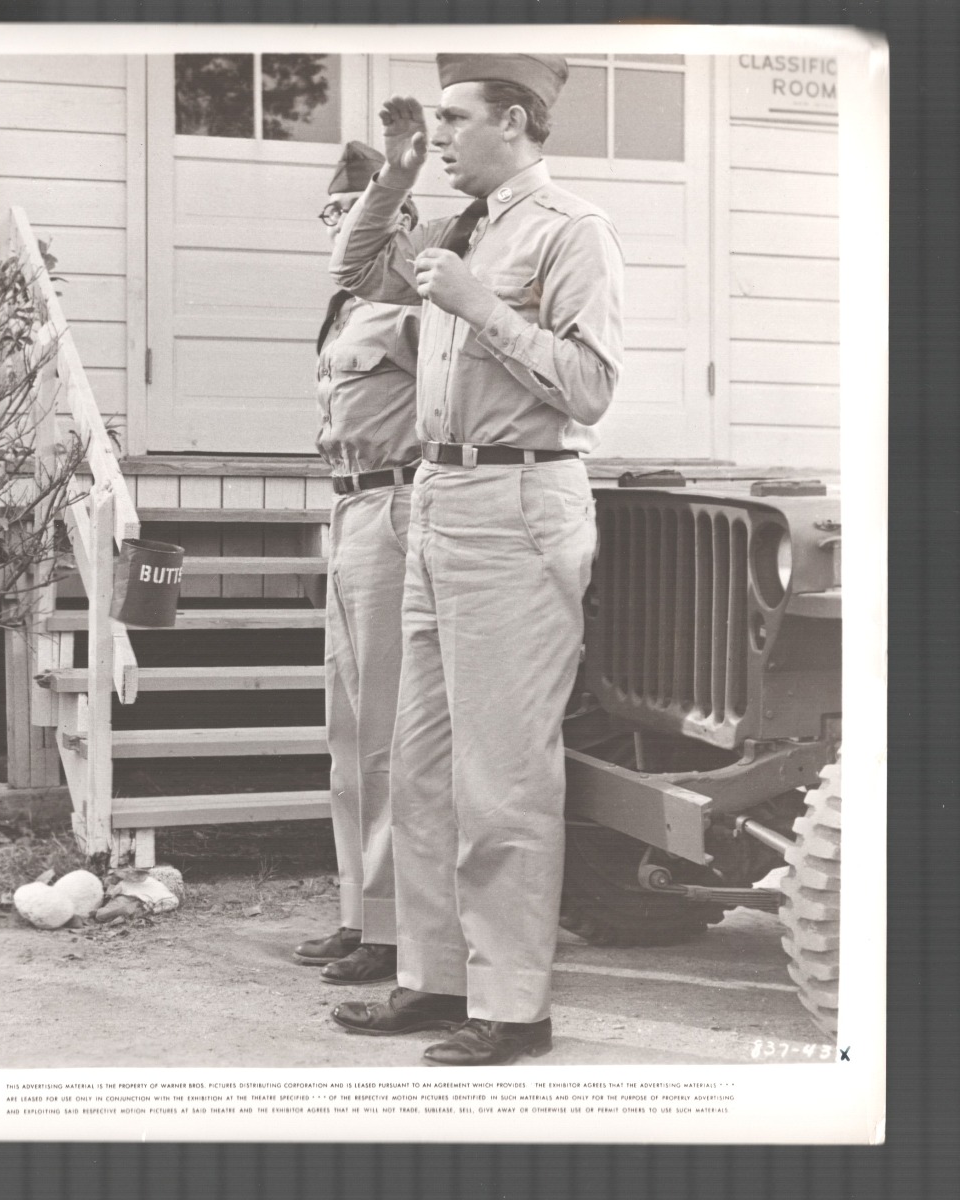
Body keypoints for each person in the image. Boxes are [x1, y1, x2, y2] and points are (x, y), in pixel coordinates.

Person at [326, 54, 624, 1065]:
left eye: (453, 120)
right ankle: (435, 978)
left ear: (515, 120)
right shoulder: (461, 227)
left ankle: (513, 1006)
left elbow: (589, 389)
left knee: (502, 780)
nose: (441, 134)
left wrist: (478, 308)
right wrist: (397, 171)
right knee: (419, 770)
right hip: (439, 499)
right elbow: (355, 274)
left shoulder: (569, 229)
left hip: (517, 503)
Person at [292, 142, 420, 987]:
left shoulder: (411, 303)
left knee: (385, 734)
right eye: (330, 215)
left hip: (396, 509)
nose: (335, 230)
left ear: (396, 219)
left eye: (348, 213)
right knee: (346, 736)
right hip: (348, 509)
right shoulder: (347, 309)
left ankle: (396, 927)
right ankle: (356, 912)